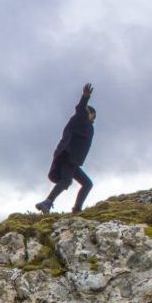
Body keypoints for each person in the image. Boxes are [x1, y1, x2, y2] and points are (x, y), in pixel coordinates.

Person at [35, 83, 96, 215]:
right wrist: (85, 97)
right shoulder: (81, 118)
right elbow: (80, 109)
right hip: (68, 155)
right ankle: (47, 202)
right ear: (89, 113)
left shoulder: (86, 125)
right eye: (91, 114)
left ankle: (76, 209)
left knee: (87, 184)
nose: (92, 117)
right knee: (67, 180)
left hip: (73, 159)